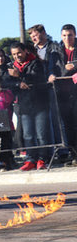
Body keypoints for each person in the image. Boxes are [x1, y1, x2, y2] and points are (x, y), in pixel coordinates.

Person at [9, 42, 51, 171]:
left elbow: (37, 78)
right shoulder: (12, 66)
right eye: (14, 54)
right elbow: (6, 81)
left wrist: (20, 76)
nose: (17, 56)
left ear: (25, 51)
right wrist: (18, 84)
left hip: (40, 104)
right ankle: (30, 159)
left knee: (41, 134)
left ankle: (43, 159)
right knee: (28, 135)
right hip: (24, 106)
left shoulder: (36, 62)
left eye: (19, 53)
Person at [48, 23, 77, 162]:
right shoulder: (55, 52)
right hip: (62, 94)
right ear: (61, 36)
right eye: (64, 35)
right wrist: (51, 75)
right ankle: (74, 155)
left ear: (75, 35)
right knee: (68, 125)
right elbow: (52, 69)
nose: (67, 38)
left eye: (70, 35)